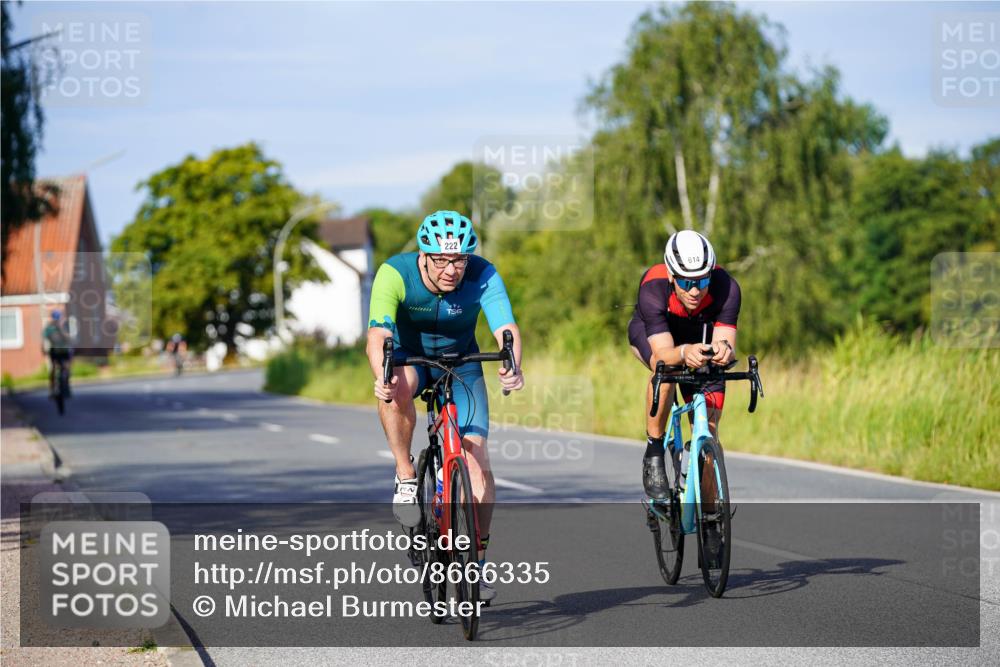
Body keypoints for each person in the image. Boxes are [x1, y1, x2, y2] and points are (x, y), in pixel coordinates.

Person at [366, 210, 524, 602]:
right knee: (396, 387)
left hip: (462, 363)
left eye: (459, 260)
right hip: (411, 359)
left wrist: (512, 365)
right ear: (423, 255)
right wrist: (382, 373)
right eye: (441, 260)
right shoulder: (395, 273)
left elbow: (505, 327)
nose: (452, 270)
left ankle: (477, 564)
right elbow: (378, 333)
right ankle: (405, 475)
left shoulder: (483, 273)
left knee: (478, 468)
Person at [627, 230, 741, 499]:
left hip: (699, 339)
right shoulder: (653, 286)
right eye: (686, 282)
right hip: (657, 338)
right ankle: (654, 450)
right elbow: (663, 355)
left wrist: (723, 351)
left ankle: (709, 512)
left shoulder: (727, 288)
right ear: (671, 275)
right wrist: (684, 351)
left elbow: (725, 341)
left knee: (710, 432)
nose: (694, 291)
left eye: (702, 281)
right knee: (667, 370)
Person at [42, 311, 73, 398]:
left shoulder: (62, 326)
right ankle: (53, 389)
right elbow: (44, 338)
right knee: (56, 368)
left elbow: (69, 339)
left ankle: (65, 387)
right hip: (56, 351)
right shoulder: (50, 327)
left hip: (62, 351)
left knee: (65, 368)